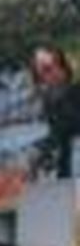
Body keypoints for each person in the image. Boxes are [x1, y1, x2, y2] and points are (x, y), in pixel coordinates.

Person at [31, 45, 80, 179]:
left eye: (48, 69)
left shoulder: (72, 89)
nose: (47, 75)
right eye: (41, 70)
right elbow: (56, 128)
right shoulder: (48, 95)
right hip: (66, 150)